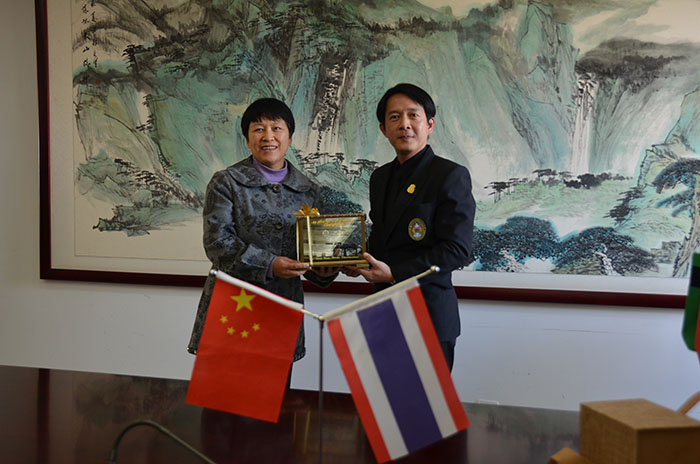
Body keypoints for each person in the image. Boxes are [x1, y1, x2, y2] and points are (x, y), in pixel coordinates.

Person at [187, 98, 337, 366]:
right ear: (247, 140)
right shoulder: (227, 182)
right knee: (225, 389)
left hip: (283, 307)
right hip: (233, 306)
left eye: (277, 128)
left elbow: (312, 250)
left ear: (290, 138)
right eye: (258, 129)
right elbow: (217, 243)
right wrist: (269, 264)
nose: (268, 137)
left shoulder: (309, 191)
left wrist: (324, 270)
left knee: (278, 390)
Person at [344, 83, 475, 370]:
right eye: (394, 117)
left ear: (430, 124)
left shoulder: (450, 175)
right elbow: (383, 238)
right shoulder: (380, 178)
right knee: (382, 398)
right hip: (383, 310)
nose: (404, 124)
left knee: (422, 401)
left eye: (413, 115)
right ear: (383, 129)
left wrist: (395, 274)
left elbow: (457, 250)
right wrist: (358, 261)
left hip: (428, 314)